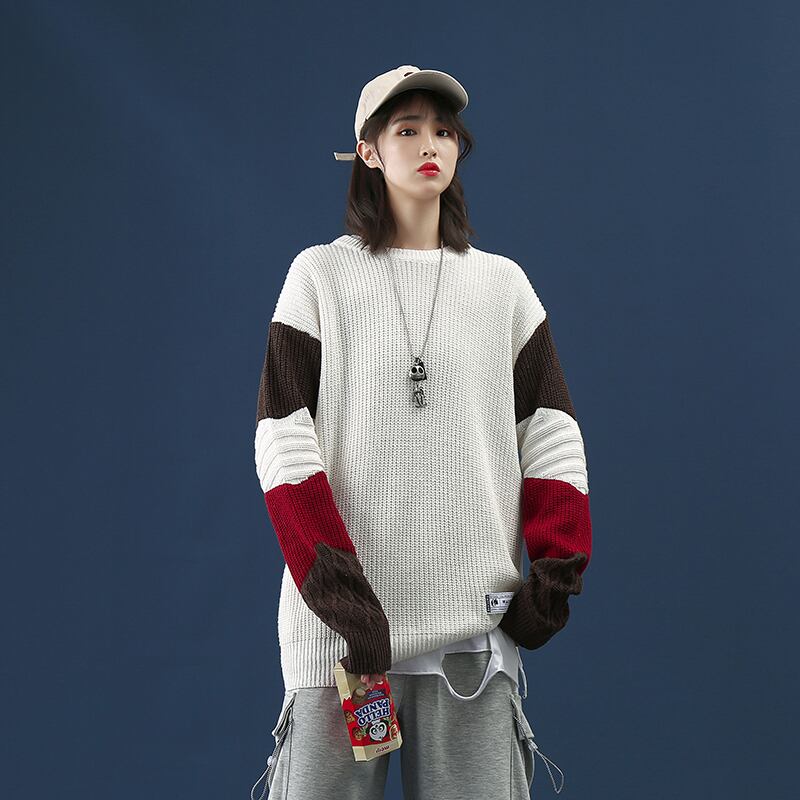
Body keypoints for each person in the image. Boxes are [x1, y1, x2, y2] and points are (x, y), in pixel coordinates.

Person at [250, 65, 592, 800]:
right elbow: (282, 440)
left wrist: (553, 575)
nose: (430, 145)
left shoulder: (503, 286)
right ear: (369, 151)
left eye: (443, 131)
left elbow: (552, 434)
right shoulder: (319, 277)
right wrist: (343, 602)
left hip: (472, 645)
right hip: (343, 649)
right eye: (407, 130)